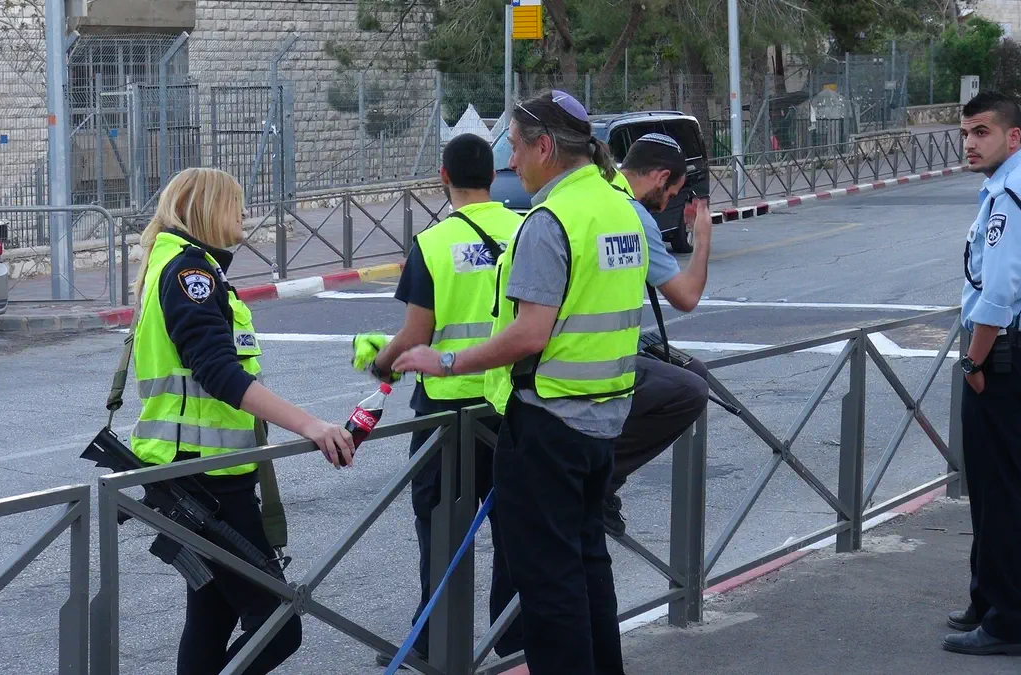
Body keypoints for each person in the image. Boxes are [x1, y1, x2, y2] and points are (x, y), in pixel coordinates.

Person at [394, 89, 645, 675]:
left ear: (546, 147)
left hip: (548, 423)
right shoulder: (617, 208)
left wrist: (449, 362)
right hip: (602, 417)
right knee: (588, 569)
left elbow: (530, 333)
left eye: (515, 147)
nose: (511, 162)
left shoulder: (551, 219)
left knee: (549, 589)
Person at [128, 167, 355, 675]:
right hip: (206, 480)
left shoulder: (181, 266)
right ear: (206, 209)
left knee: (211, 617)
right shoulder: (192, 274)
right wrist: (311, 425)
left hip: (197, 471)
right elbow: (217, 373)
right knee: (277, 623)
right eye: (236, 204)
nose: (245, 214)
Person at [350, 133, 523, 666]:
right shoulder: (525, 230)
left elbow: (415, 337)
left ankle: (434, 641)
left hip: (446, 413)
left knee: (440, 529)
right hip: (508, 407)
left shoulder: (431, 244)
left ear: (442, 178)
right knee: (513, 525)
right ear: (493, 177)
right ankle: (513, 639)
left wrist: (382, 361)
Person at [944, 91, 1021, 657]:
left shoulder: (1011, 192)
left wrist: (974, 357)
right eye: (965, 132)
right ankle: (987, 598)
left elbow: (1001, 287)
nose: (969, 143)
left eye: (982, 132)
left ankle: (1011, 621)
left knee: (1000, 495)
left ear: (1013, 136)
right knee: (993, 492)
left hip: (1004, 355)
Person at [602, 133, 714, 536]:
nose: (667, 203)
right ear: (661, 177)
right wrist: (702, 241)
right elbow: (685, 297)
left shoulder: (600, 191)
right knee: (690, 390)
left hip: (576, 351)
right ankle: (600, 477)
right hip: (594, 364)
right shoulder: (633, 214)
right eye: (671, 192)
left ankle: (600, 476)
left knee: (692, 371)